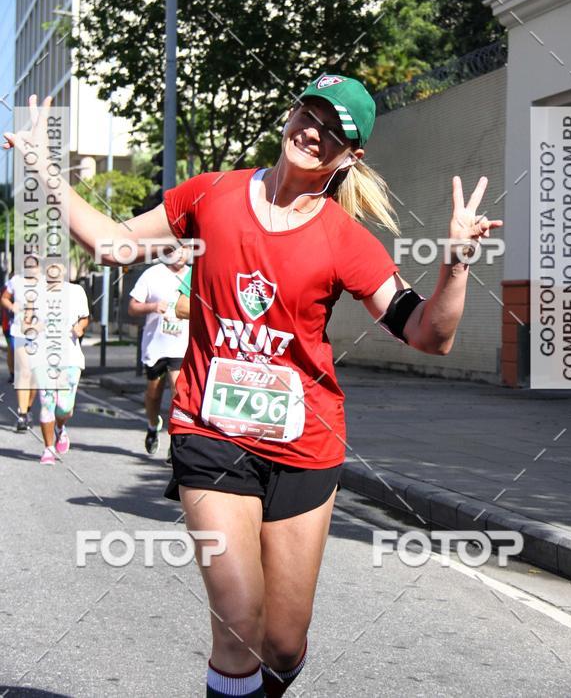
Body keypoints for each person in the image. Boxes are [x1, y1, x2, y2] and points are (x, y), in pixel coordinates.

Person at [4, 81, 502, 697]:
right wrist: (42, 170)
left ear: (350, 157)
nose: (313, 130)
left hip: (304, 447)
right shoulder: (212, 192)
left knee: (283, 642)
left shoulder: (344, 238)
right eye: (308, 112)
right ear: (290, 113)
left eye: (333, 129)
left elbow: (428, 335)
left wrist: (455, 265)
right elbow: (114, 245)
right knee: (239, 626)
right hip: (210, 433)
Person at [128, 247, 191, 454]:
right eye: (177, 249)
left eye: (187, 248)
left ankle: (176, 444)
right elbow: (132, 307)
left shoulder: (194, 275)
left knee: (178, 391)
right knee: (153, 394)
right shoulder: (152, 274)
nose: (182, 253)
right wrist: (152, 307)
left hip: (181, 346)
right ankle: (153, 425)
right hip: (156, 345)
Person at [32, 263, 90, 465]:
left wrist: (80, 328)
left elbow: (84, 317)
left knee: (64, 407)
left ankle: (60, 427)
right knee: (47, 402)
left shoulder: (76, 291)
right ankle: (48, 449)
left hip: (70, 358)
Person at [1, 260, 42, 432]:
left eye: (34, 264)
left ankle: (28, 407)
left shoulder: (47, 283)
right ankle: (22, 414)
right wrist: (12, 307)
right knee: (24, 371)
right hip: (20, 330)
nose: (31, 268)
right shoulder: (16, 281)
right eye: (28, 264)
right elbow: (4, 298)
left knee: (35, 375)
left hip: (41, 333)